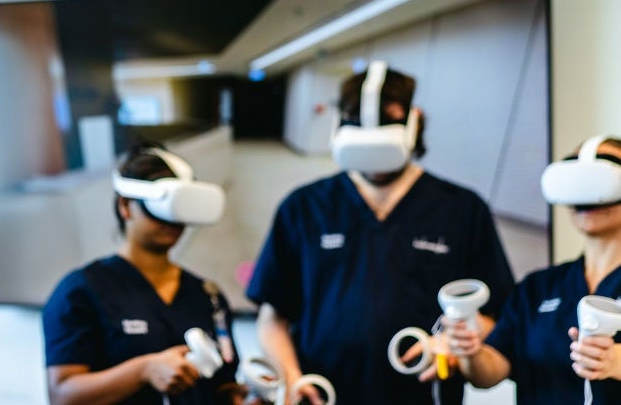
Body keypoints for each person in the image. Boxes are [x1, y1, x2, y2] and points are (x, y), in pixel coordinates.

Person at [245, 60, 515, 404]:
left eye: (387, 120)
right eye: (357, 120)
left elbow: (495, 317)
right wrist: (291, 378)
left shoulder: (462, 209)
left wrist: (457, 342)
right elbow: (273, 316)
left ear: (414, 122)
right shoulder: (304, 207)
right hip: (324, 394)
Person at [42, 144, 245, 405]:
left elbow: (222, 384)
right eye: (162, 205)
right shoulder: (81, 291)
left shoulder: (208, 295)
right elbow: (62, 396)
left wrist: (241, 395)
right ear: (125, 206)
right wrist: (143, 370)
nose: (173, 220)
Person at [450, 135, 621, 403]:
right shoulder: (538, 287)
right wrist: (469, 351)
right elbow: (491, 371)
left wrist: (615, 362)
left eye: (606, 167)